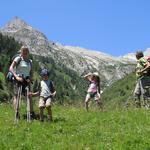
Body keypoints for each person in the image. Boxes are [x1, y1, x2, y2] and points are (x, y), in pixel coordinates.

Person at [9, 46, 35, 119]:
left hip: (27, 80)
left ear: (28, 52)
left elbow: (31, 72)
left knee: (29, 96)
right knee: (17, 96)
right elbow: (11, 68)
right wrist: (16, 77)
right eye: (23, 51)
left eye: (26, 51)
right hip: (18, 79)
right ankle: (17, 113)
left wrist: (31, 78)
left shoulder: (30, 61)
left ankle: (31, 113)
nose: (25, 52)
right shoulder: (18, 59)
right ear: (21, 51)